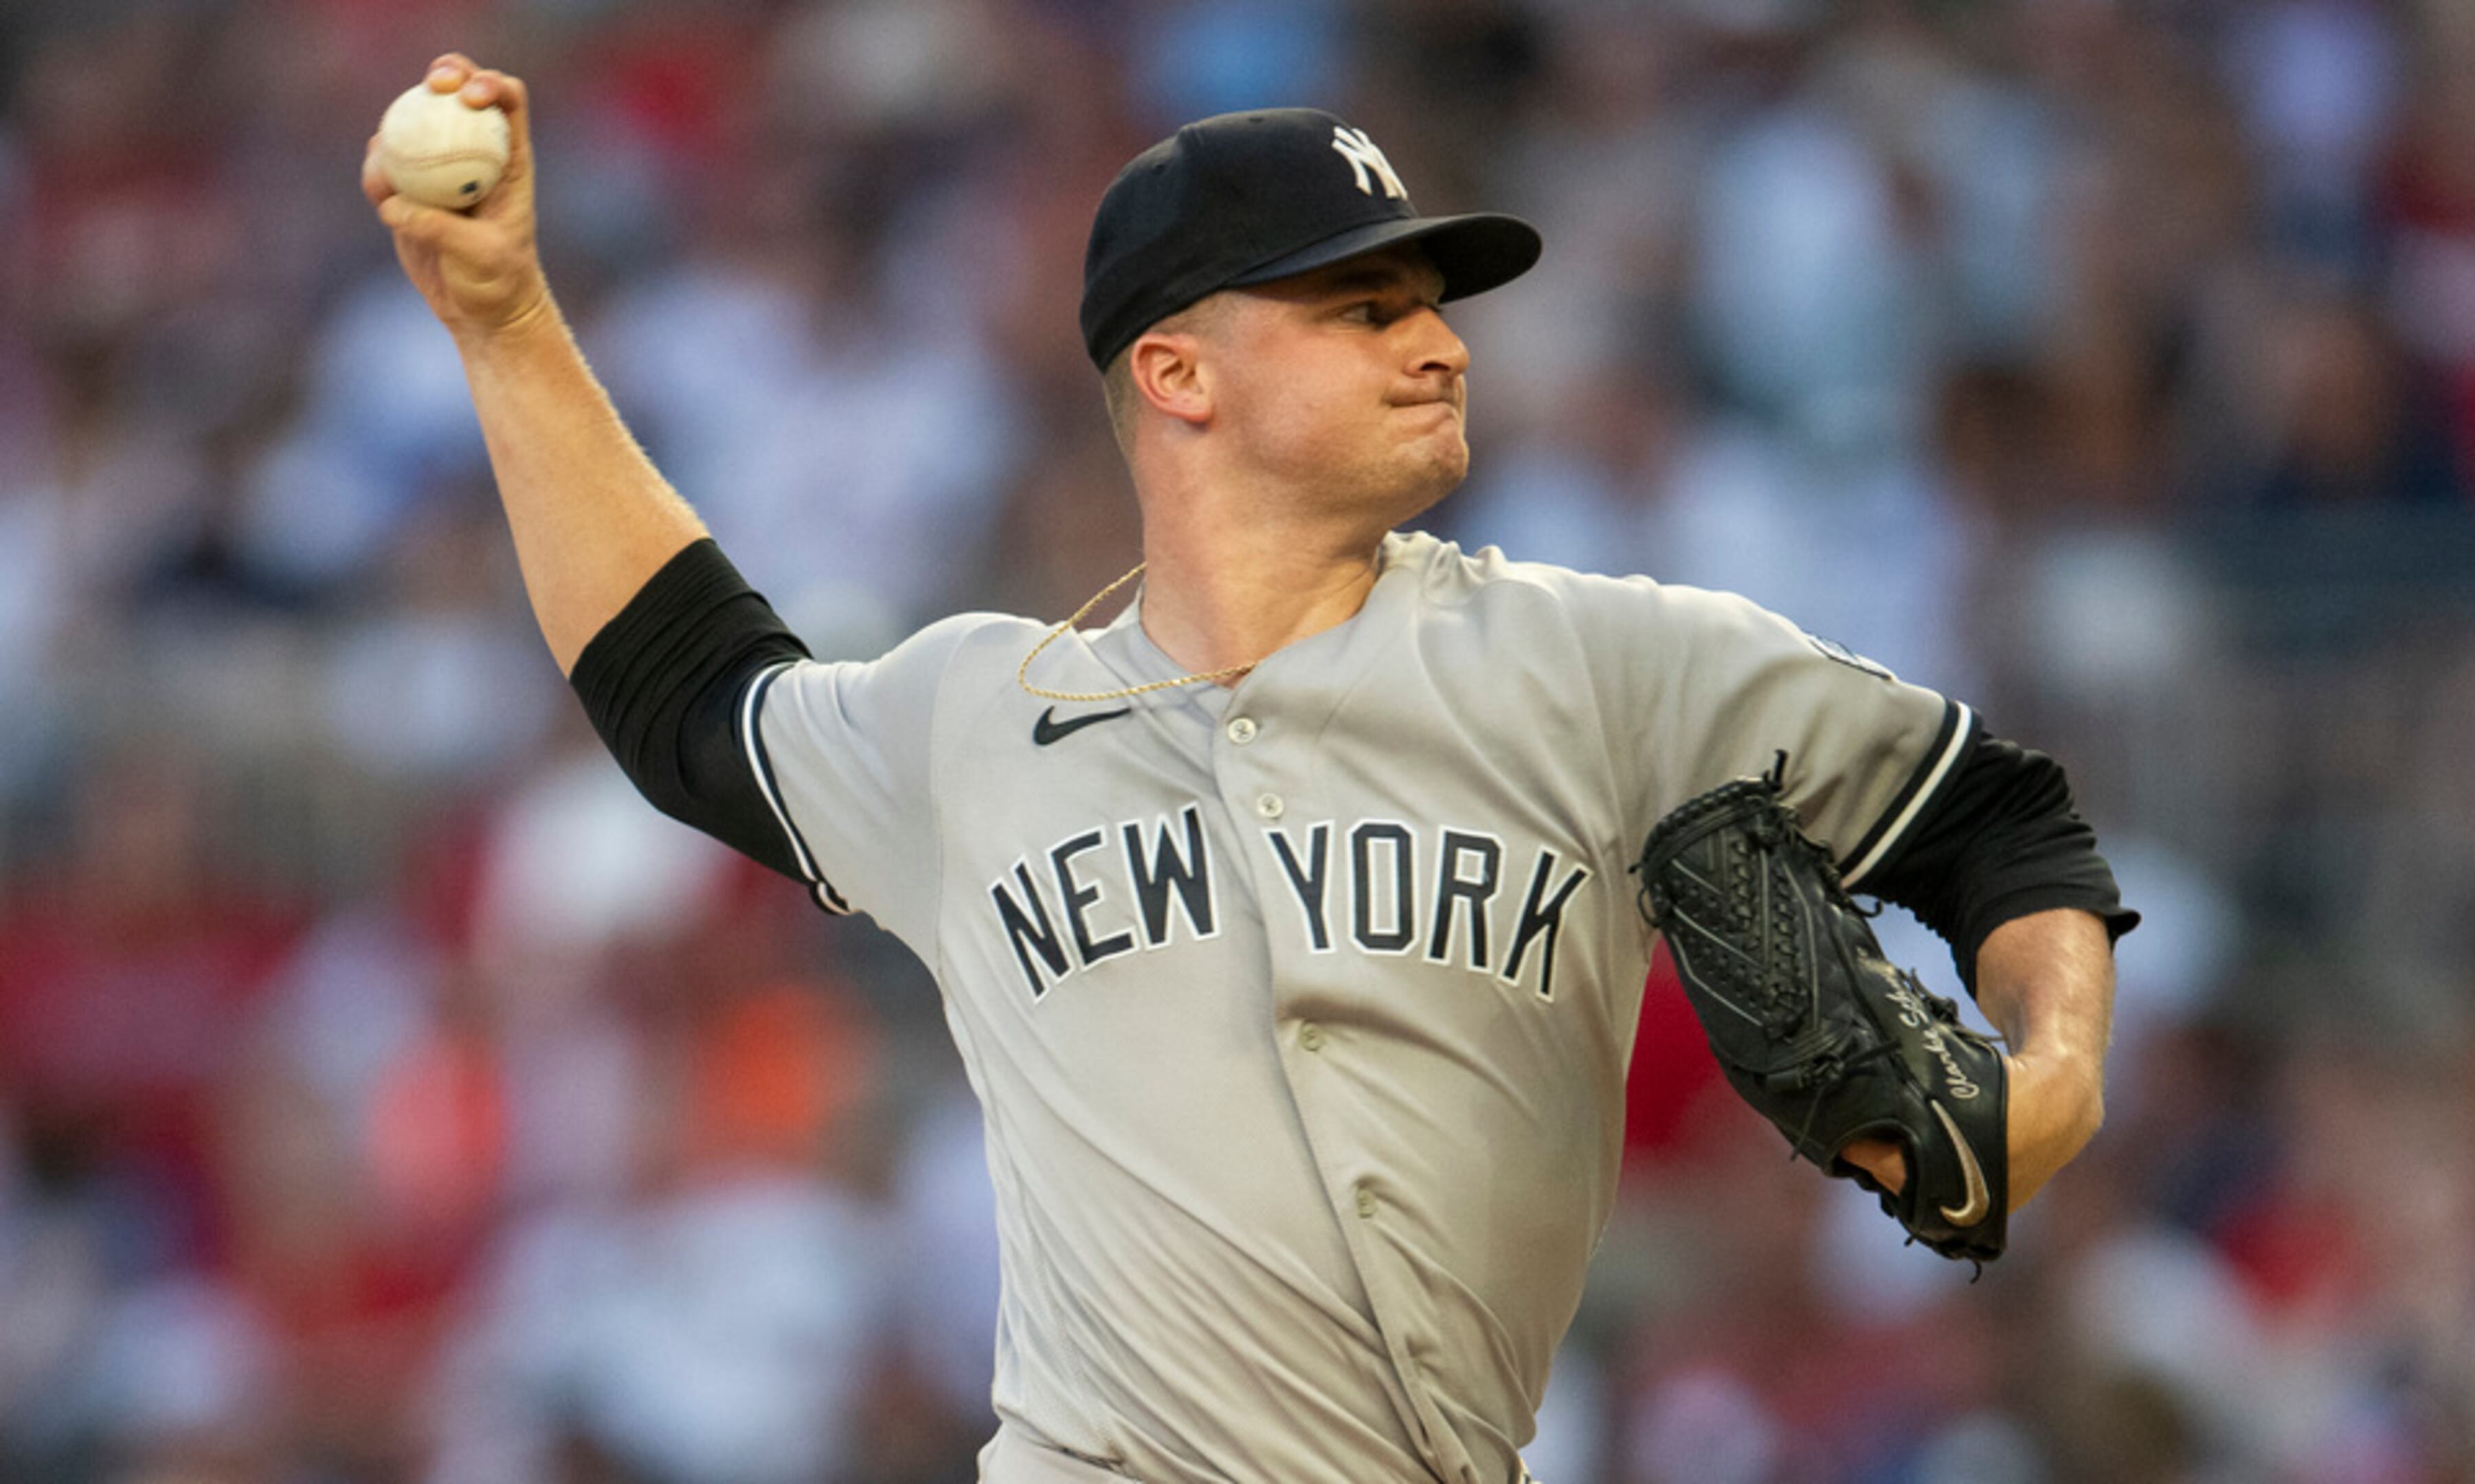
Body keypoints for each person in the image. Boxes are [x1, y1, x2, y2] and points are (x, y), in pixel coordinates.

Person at [368, 55, 2135, 1484]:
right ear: (1177, 370)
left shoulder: (1611, 663)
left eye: (1430, 304)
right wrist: (508, 323)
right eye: (1364, 309)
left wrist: (2055, 1073)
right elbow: (688, 697)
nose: (1439, 340)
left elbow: (2000, 825)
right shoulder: (977, 718)